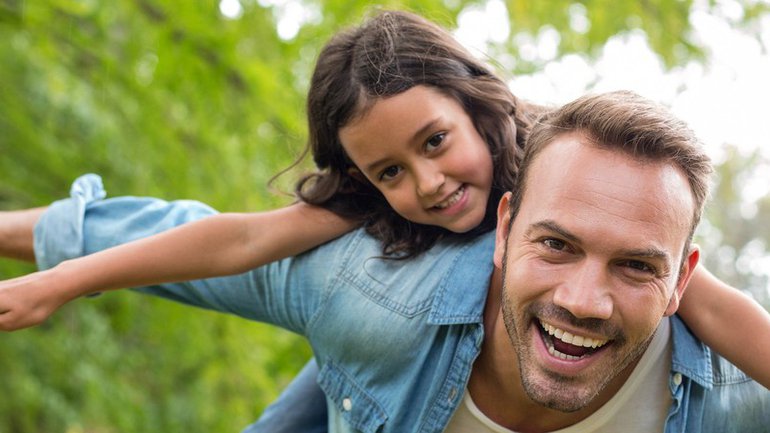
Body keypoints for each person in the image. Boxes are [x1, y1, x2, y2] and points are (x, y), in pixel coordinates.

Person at [1, 9, 769, 430]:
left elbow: (713, 305)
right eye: (389, 172)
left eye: (436, 143)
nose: (430, 184)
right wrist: (61, 282)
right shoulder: (370, 234)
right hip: (394, 342)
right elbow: (235, 238)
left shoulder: (566, 162)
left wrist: (657, 276)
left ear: (477, 103)